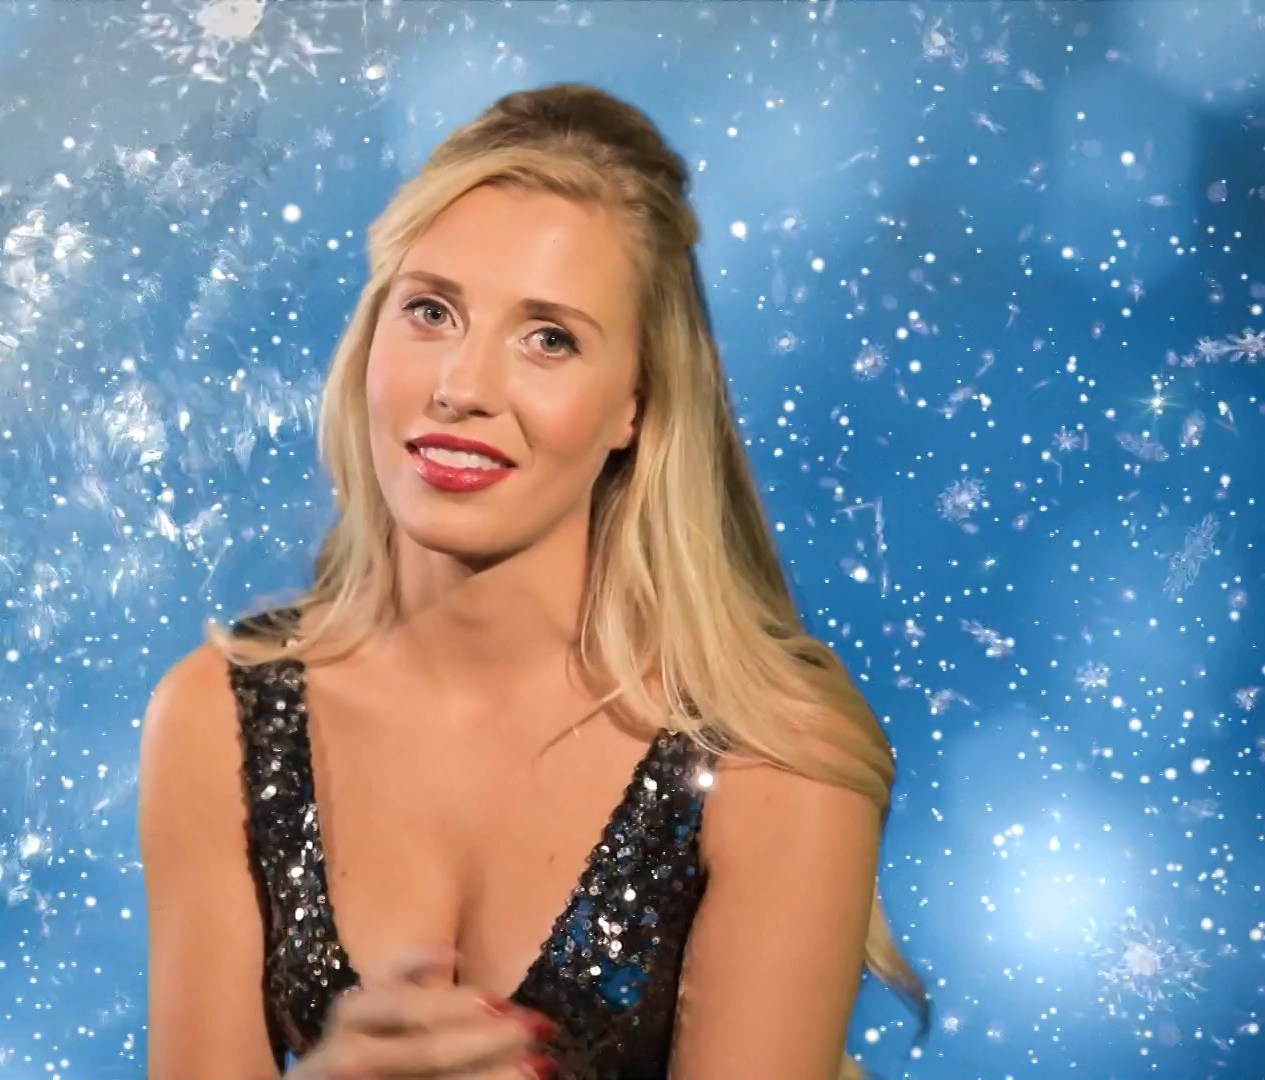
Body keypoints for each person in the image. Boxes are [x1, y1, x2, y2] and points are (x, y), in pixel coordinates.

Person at [139, 83, 930, 1080]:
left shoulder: (771, 753)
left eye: (549, 338)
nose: (462, 388)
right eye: (430, 311)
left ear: (637, 405)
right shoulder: (216, 719)